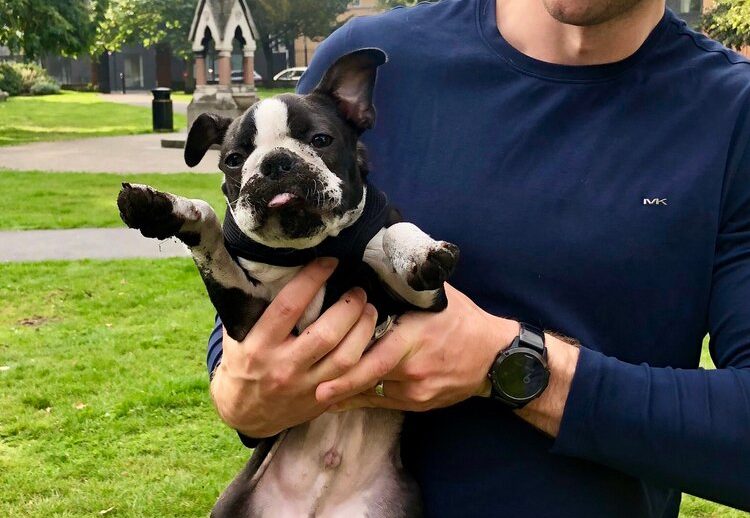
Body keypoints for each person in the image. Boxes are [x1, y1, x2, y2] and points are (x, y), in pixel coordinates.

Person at [206, 0, 750, 515]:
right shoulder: (372, 59)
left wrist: (510, 362)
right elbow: (257, 273)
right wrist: (235, 385)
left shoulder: (733, 113)